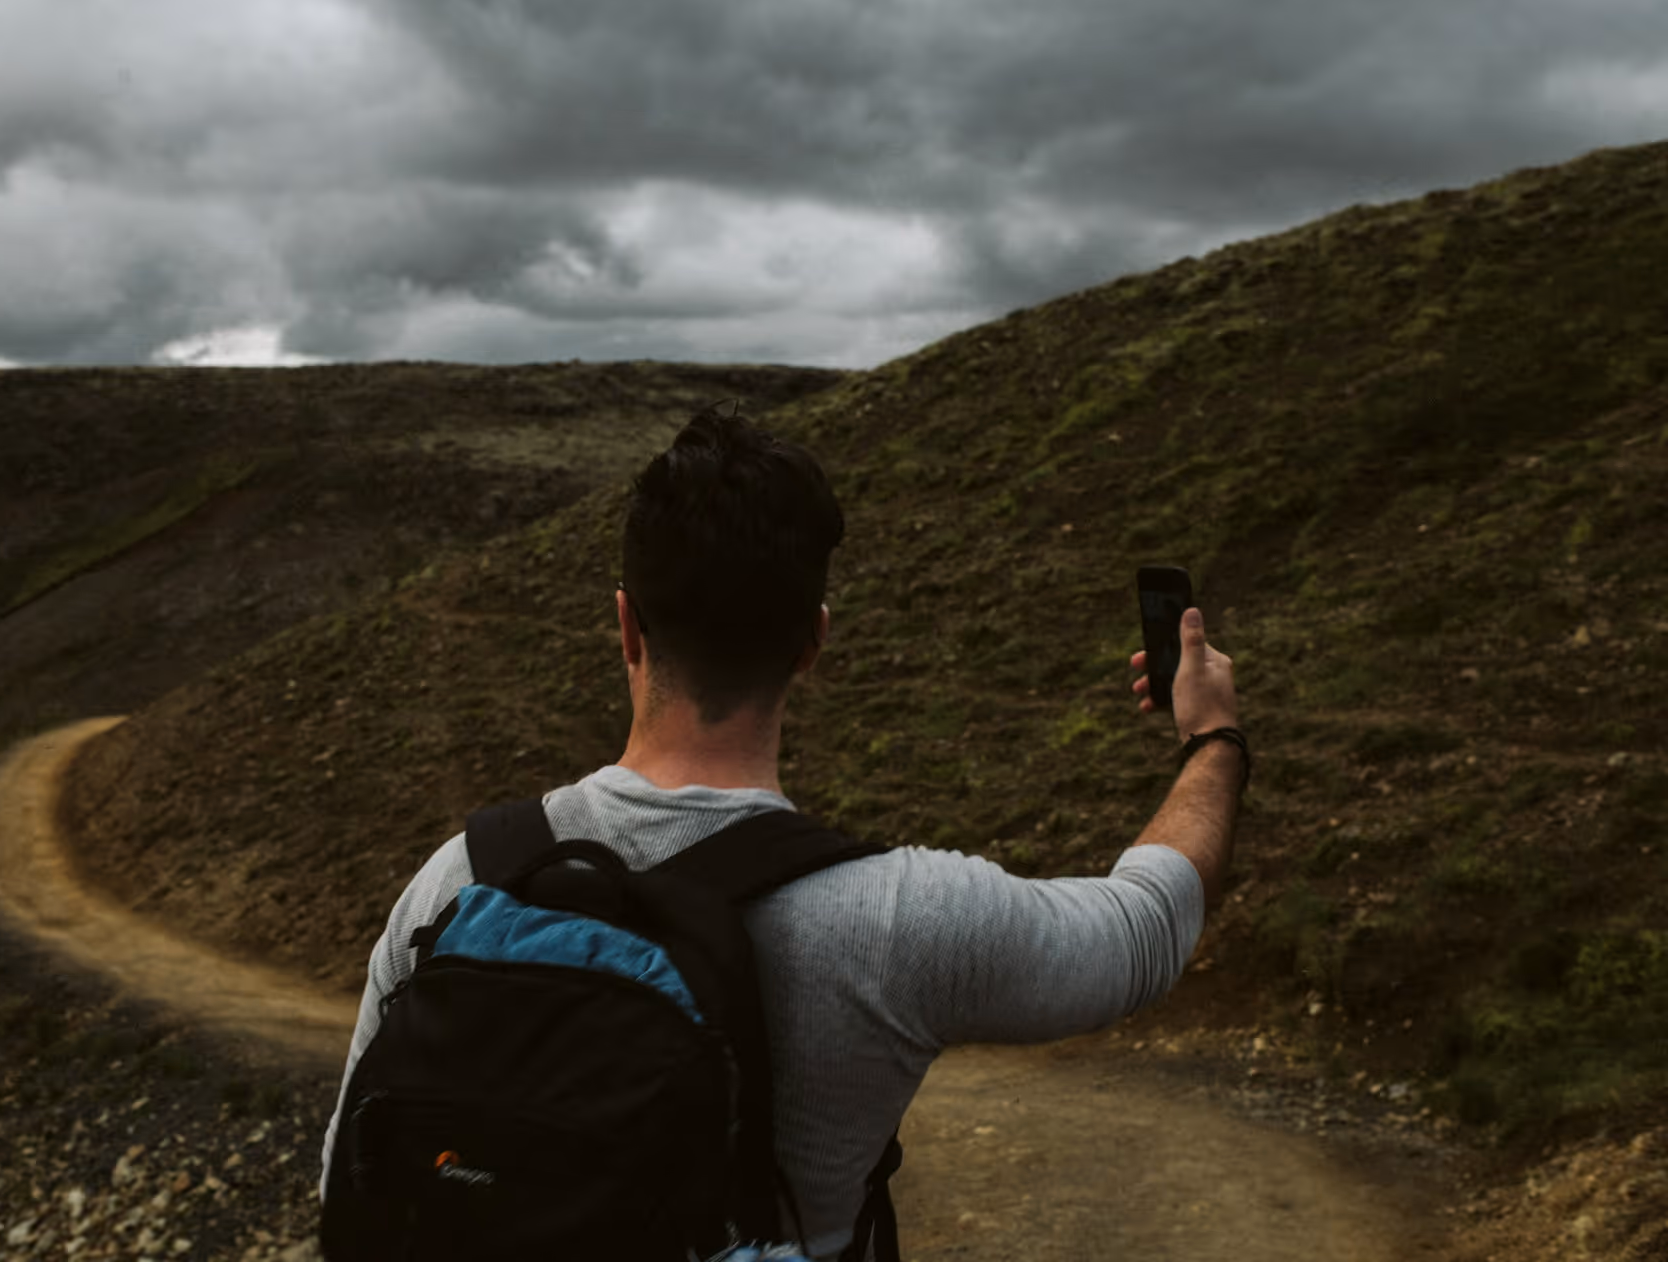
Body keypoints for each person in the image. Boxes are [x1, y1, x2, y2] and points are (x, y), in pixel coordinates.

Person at [322, 408, 1245, 1261]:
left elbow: (347, 1189)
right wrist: (1213, 740)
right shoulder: (895, 918)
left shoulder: (460, 881)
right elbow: (1144, 928)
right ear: (812, 642)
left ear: (626, 626)